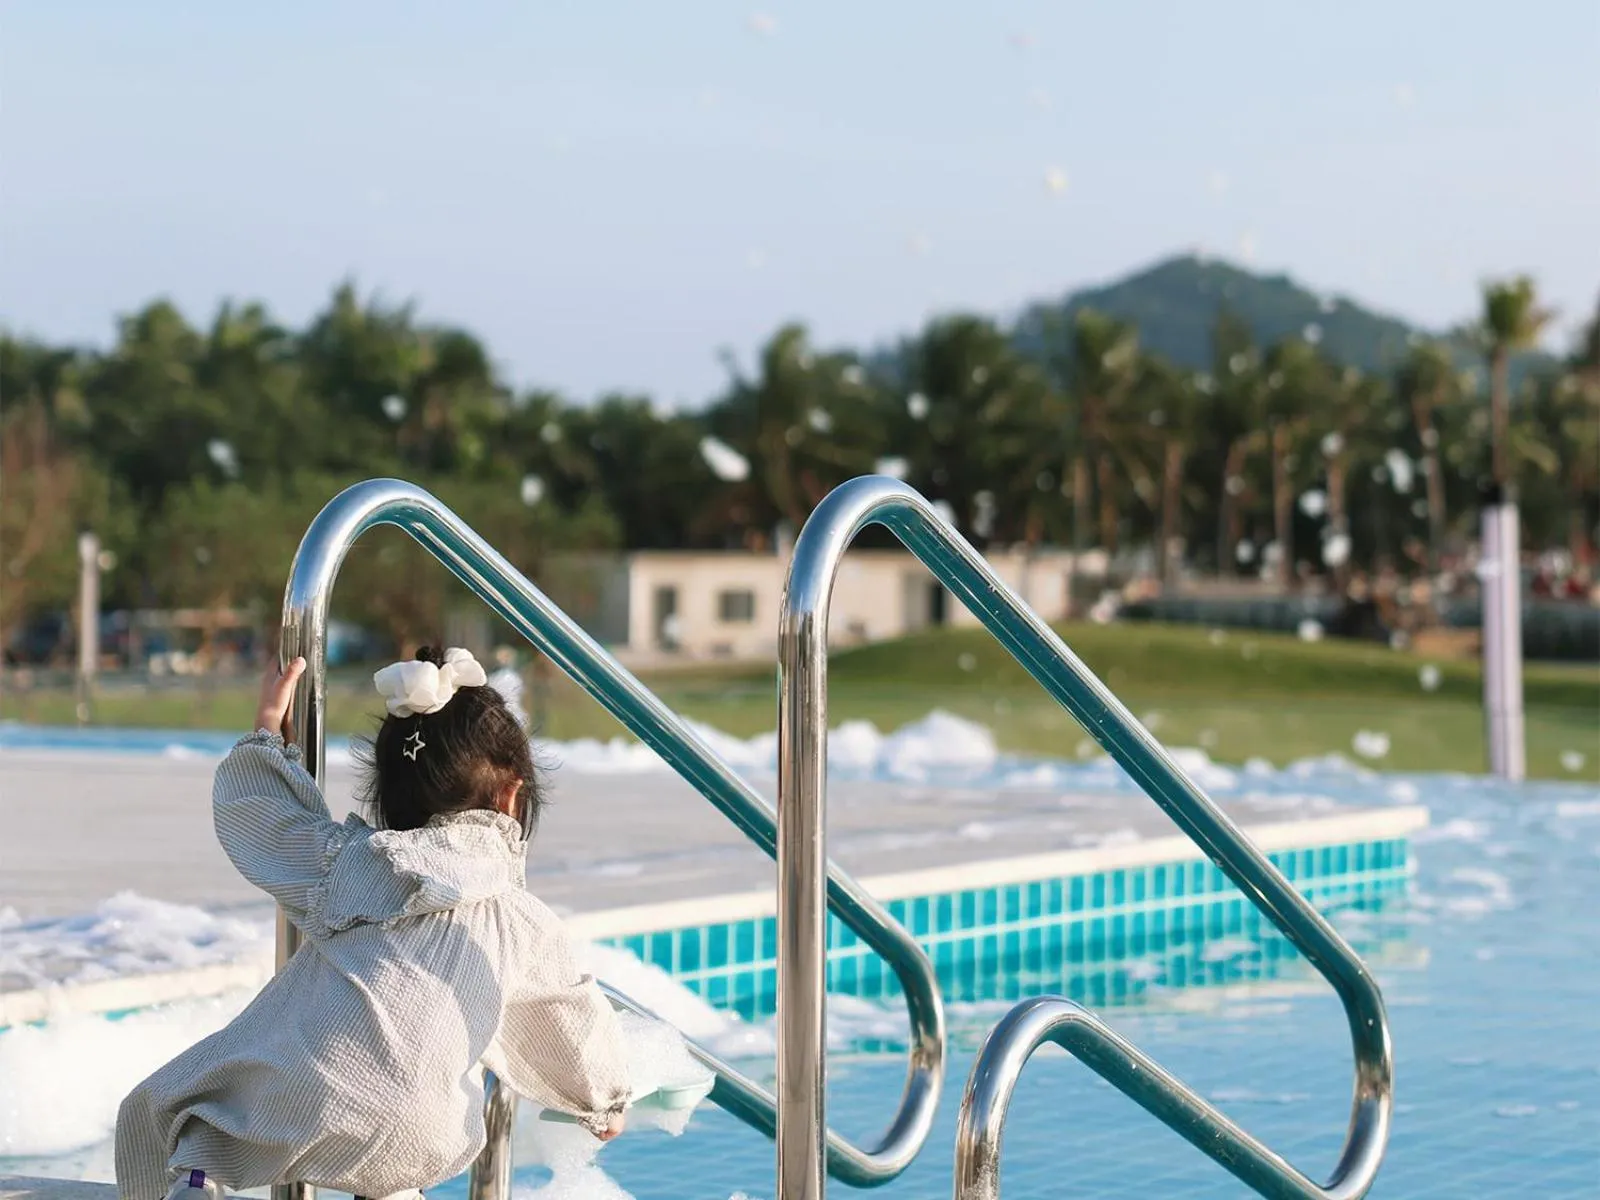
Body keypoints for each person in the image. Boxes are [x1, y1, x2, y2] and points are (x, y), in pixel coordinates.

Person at [115, 646, 631, 1200]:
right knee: (400, 1141)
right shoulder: (522, 919)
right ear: (512, 796)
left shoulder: (354, 864)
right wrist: (605, 1101)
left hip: (306, 1100)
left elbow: (263, 819)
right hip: (430, 1134)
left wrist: (267, 733)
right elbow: (572, 1018)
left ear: (386, 794)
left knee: (170, 1112)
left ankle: (198, 1179)